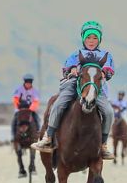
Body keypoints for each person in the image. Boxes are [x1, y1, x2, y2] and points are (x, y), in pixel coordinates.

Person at [31, 21, 115, 160]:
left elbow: (109, 69)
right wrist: (72, 69)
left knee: (109, 111)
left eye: (95, 38)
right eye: (88, 37)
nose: (91, 41)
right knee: (59, 103)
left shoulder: (106, 55)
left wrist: (105, 72)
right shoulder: (76, 54)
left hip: (96, 88)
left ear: (99, 39)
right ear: (83, 38)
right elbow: (68, 66)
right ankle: (48, 137)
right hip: (75, 84)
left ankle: (103, 145)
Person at [11, 74, 41, 139]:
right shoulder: (19, 90)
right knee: (14, 120)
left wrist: (30, 109)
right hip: (20, 109)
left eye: (29, 83)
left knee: (37, 119)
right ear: (24, 82)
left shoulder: (35, 91)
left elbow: (36, 101)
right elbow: (15, 99)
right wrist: (19, 107)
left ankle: (37, 135)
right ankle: (13, 136)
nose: (28, 84)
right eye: (27, 83)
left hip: (30, 110)